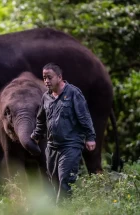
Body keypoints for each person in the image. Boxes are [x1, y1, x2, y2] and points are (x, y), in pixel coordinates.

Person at [30, 63, 96, 204]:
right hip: (52, 146)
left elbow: (84, 117)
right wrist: (36, 135)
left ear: (59, 77)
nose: (46, 81)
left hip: (71, 144)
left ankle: (63, 210)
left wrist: (90, 137)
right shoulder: (45, 97)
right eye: (44, 78)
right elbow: (41, 120)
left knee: (65, 178)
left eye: (49, 77)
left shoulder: (73, 93)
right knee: (54, 181)